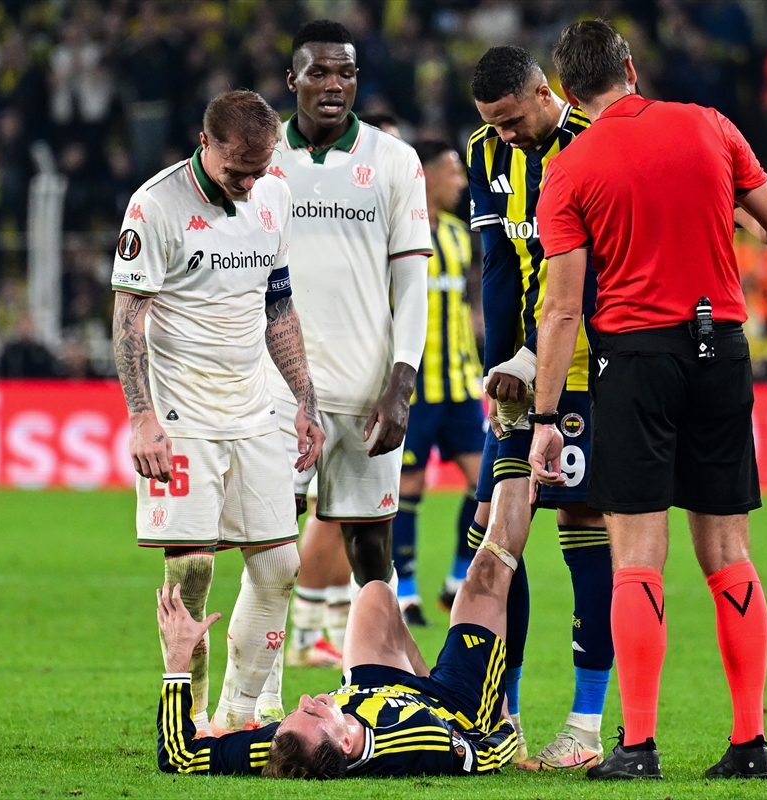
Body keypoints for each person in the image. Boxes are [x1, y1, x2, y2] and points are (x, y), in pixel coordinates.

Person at [529, 21, 767, 780]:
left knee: (638, 559)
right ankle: (749, 745)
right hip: (721, 350)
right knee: (729, 554)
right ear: (630, 67)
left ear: (568, 93)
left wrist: (546, 419)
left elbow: (562, 309)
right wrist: (723, 213)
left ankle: (639, 747)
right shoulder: (710, 125)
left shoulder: (570, 168)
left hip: (635, 359)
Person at [111, 90, 324, 736]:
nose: (249, 183)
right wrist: (141, 417)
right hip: (182, 416)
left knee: (280, 565)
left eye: (260, 169)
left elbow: (278, 305)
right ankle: (192, 719)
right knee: (192, 571)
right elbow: (128, 319)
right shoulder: (155, 205)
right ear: (204, 144)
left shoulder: (274, 195)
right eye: (237, 170)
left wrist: (304, 397)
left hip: (253, 408)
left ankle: (239, 714)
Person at [463, 45, 614, 770]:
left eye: (512, 119)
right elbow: (497, 267)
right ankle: (505, 718)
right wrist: (502, 366)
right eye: (492, 123)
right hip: (519, 379)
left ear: (544, 92)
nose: (505, 134)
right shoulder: (484, 153)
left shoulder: (595, 143)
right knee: (493, 530)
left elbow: (597, 272)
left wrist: (535, 359)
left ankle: (585, 727)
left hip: (583, 368)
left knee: (581, 524)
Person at [154, 495, 530, 778]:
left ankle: (425, 675)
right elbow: (484, 756)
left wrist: (177, 659)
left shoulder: (286, 743)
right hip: (452, 705)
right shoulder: (417, 740)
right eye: (313, 711)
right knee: (488, 569)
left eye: (295, 711)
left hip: (371, 686)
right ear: (346, 742)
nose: (305, 699)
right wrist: (503, 727)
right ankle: (515, 445)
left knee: (375, 593)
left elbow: (179, 756)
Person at [268, 21, 430, 668]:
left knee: (371, 548)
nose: (334, 85)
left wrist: (401, 384)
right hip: (280, 391)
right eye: (320, 72)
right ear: (293, 80)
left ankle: (375, 684)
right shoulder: (264, 158)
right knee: (270, 543)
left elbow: (411, 285)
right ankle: (252, 699)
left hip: (367, 392)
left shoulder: (394, 161)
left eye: (346, 73)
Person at [391, 140, 484, 626]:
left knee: (484, 482)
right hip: (415, 387)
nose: (461, 182)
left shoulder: (457, 234)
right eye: (453, 171)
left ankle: (457, 578)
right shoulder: (397, 231)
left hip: (461, 383)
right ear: (425, 175)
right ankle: (405, 591)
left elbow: (467, 306)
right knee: (409, 484)